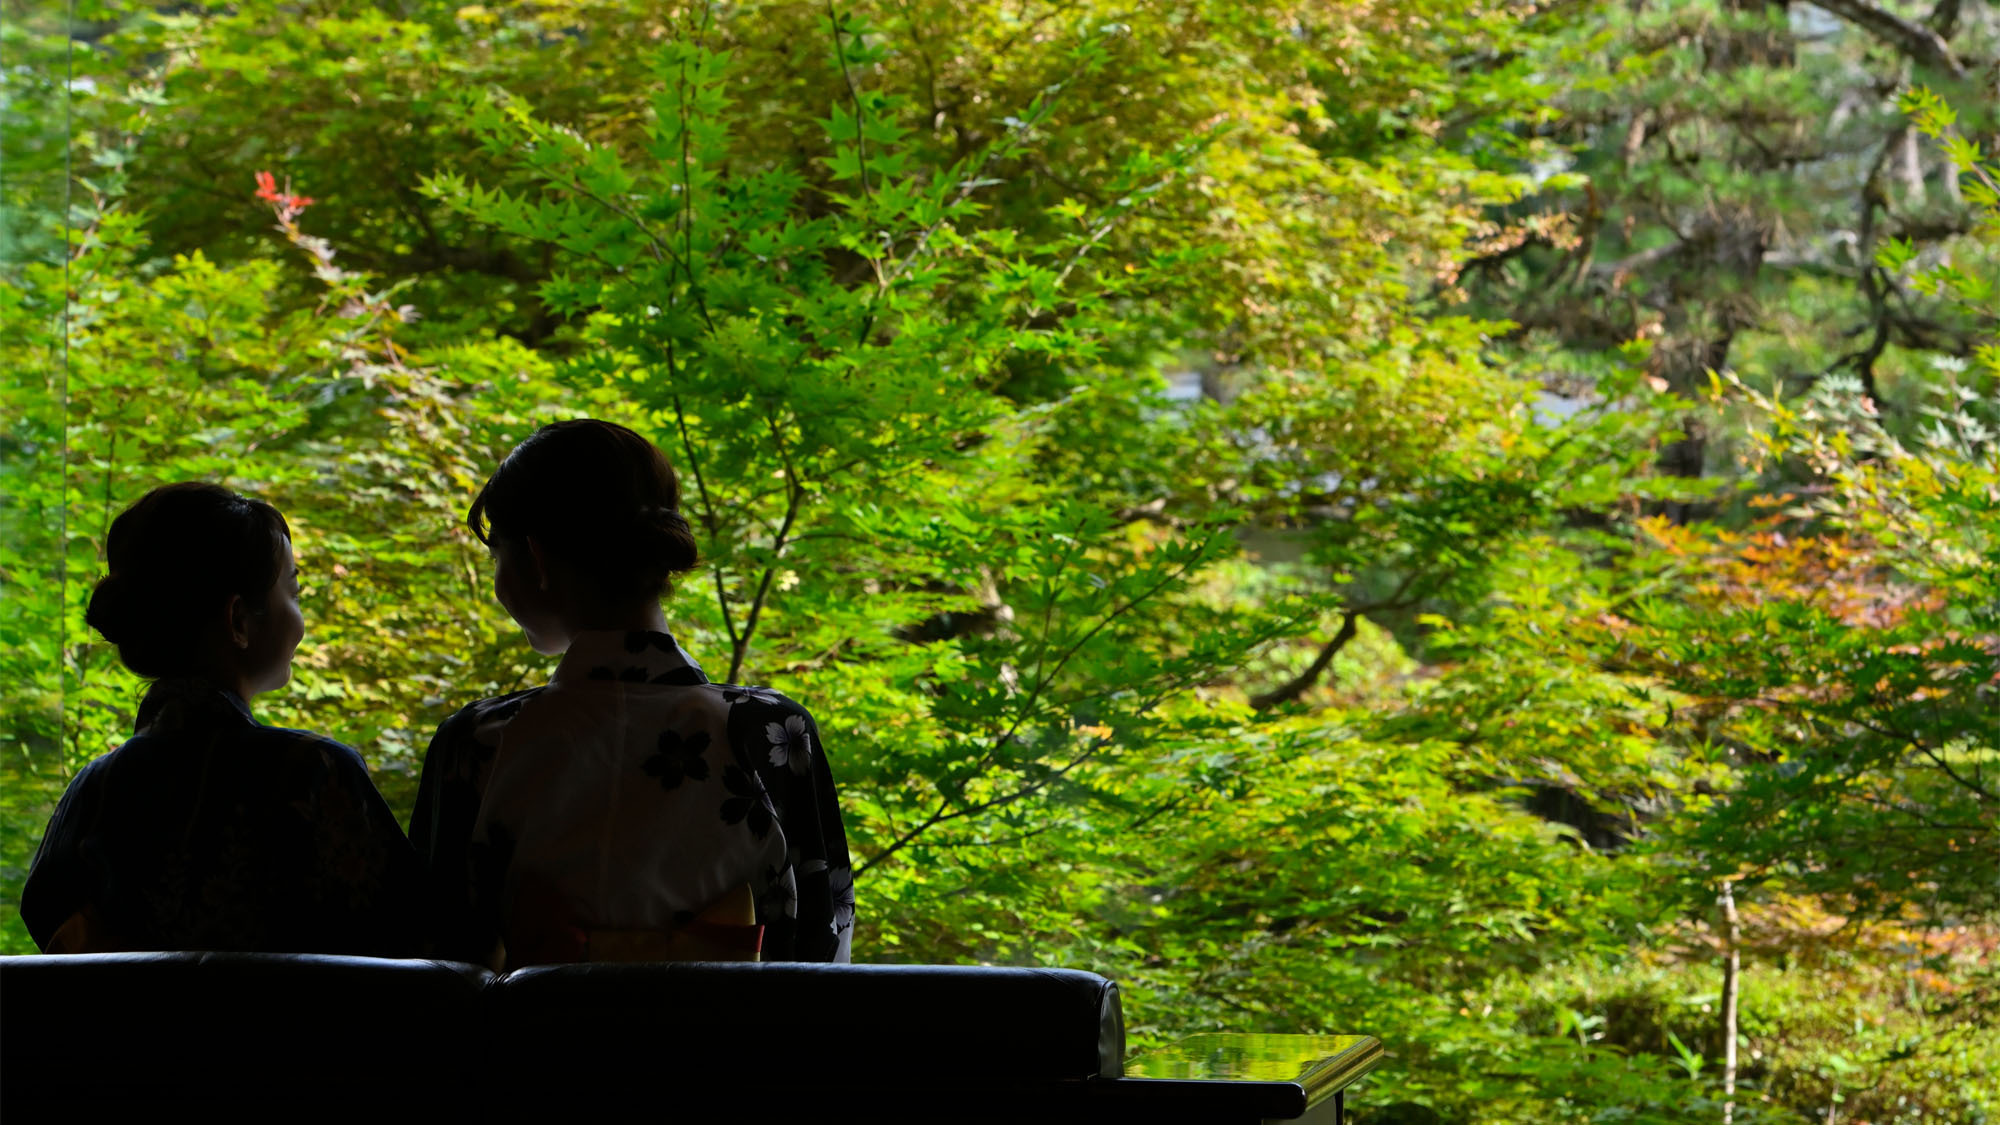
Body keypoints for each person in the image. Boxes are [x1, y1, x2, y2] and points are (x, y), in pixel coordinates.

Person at [410, 419, 854, 968]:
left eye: (497, 553)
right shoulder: (770, 730)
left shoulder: (479, 741)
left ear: (537, 558)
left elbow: (436, 954)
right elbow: (823, 947)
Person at [21, 483, 422, 956]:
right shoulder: (316, 772)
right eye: (292, 591)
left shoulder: (93, 791)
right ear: (238, 620)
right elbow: (416, 942)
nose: (301, 619)